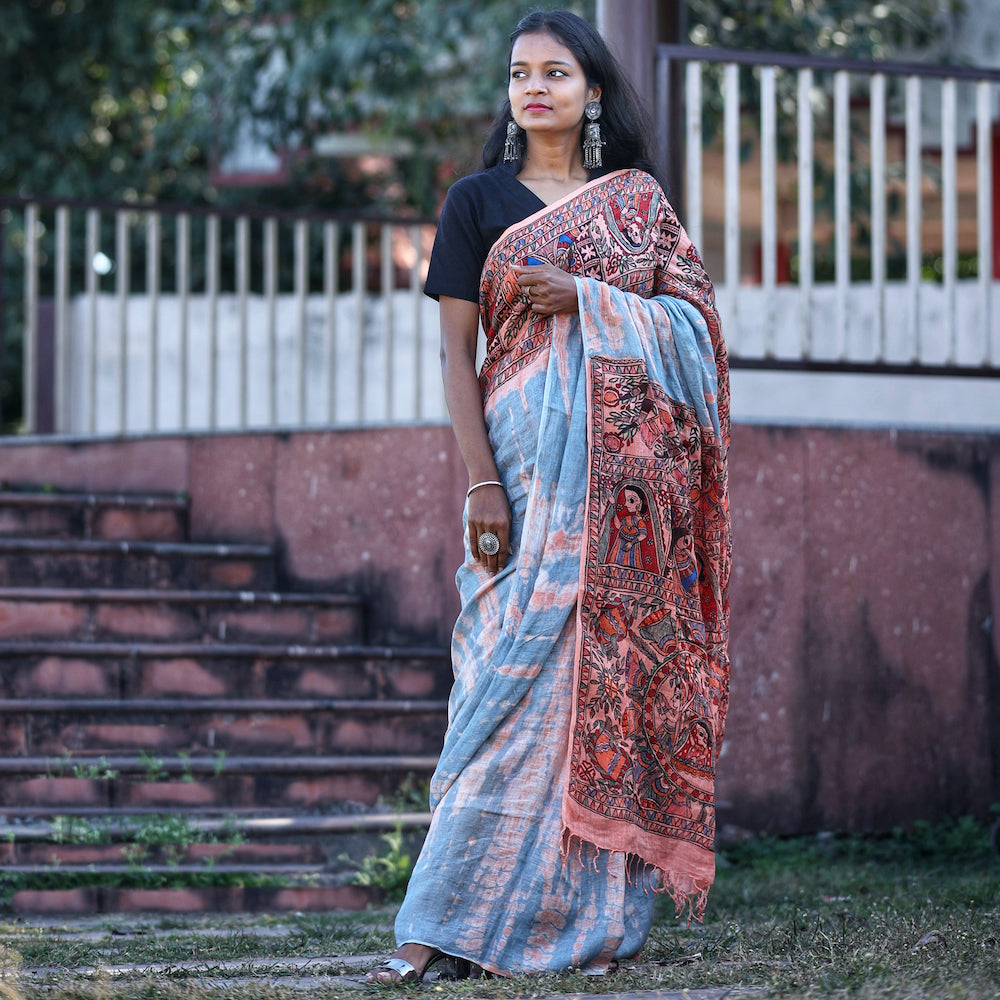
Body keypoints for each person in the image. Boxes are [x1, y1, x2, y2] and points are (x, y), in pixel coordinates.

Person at [365, 8, 731, 984]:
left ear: (592, 91)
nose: (534, 87)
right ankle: (444, 924)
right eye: (520, 72)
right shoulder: (475, 201)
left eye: (556, 72)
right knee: (494, 690)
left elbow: (698, 337)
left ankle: (579, 922)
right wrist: (480, 482)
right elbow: (455, 357)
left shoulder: (638, 206)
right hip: (521, 477)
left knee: (596, 694)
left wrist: (592, 299)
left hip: (621, 509)